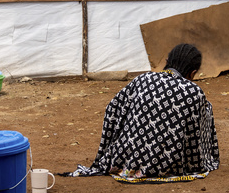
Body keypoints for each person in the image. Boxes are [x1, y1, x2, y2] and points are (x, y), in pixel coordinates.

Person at [72, 43, 220, 181]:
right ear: (192, 74)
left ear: (167, 61)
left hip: (125, 159)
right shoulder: (194, 92)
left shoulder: (143, 79)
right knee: (206, 108)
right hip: (167, 166)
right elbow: (193, 134)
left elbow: (113, 107)